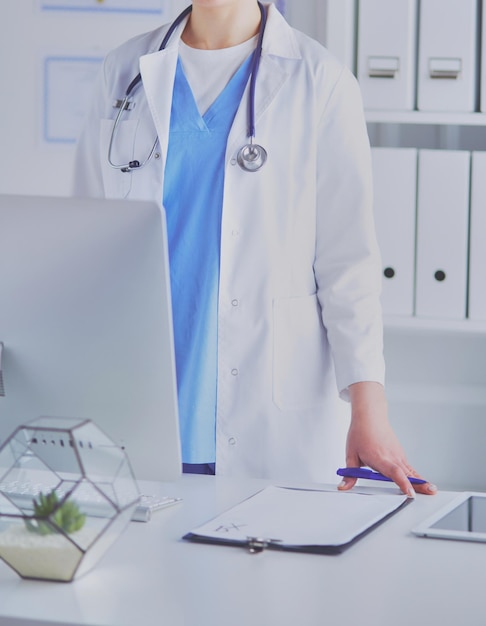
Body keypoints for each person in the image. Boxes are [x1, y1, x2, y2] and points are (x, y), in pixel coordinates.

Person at [73, 0, 437, 497]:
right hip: (140, 408)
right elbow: (87, 245)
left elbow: (347, 264)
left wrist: (369, 412)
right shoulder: (124, 71)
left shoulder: (320, 81)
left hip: (265, 419)